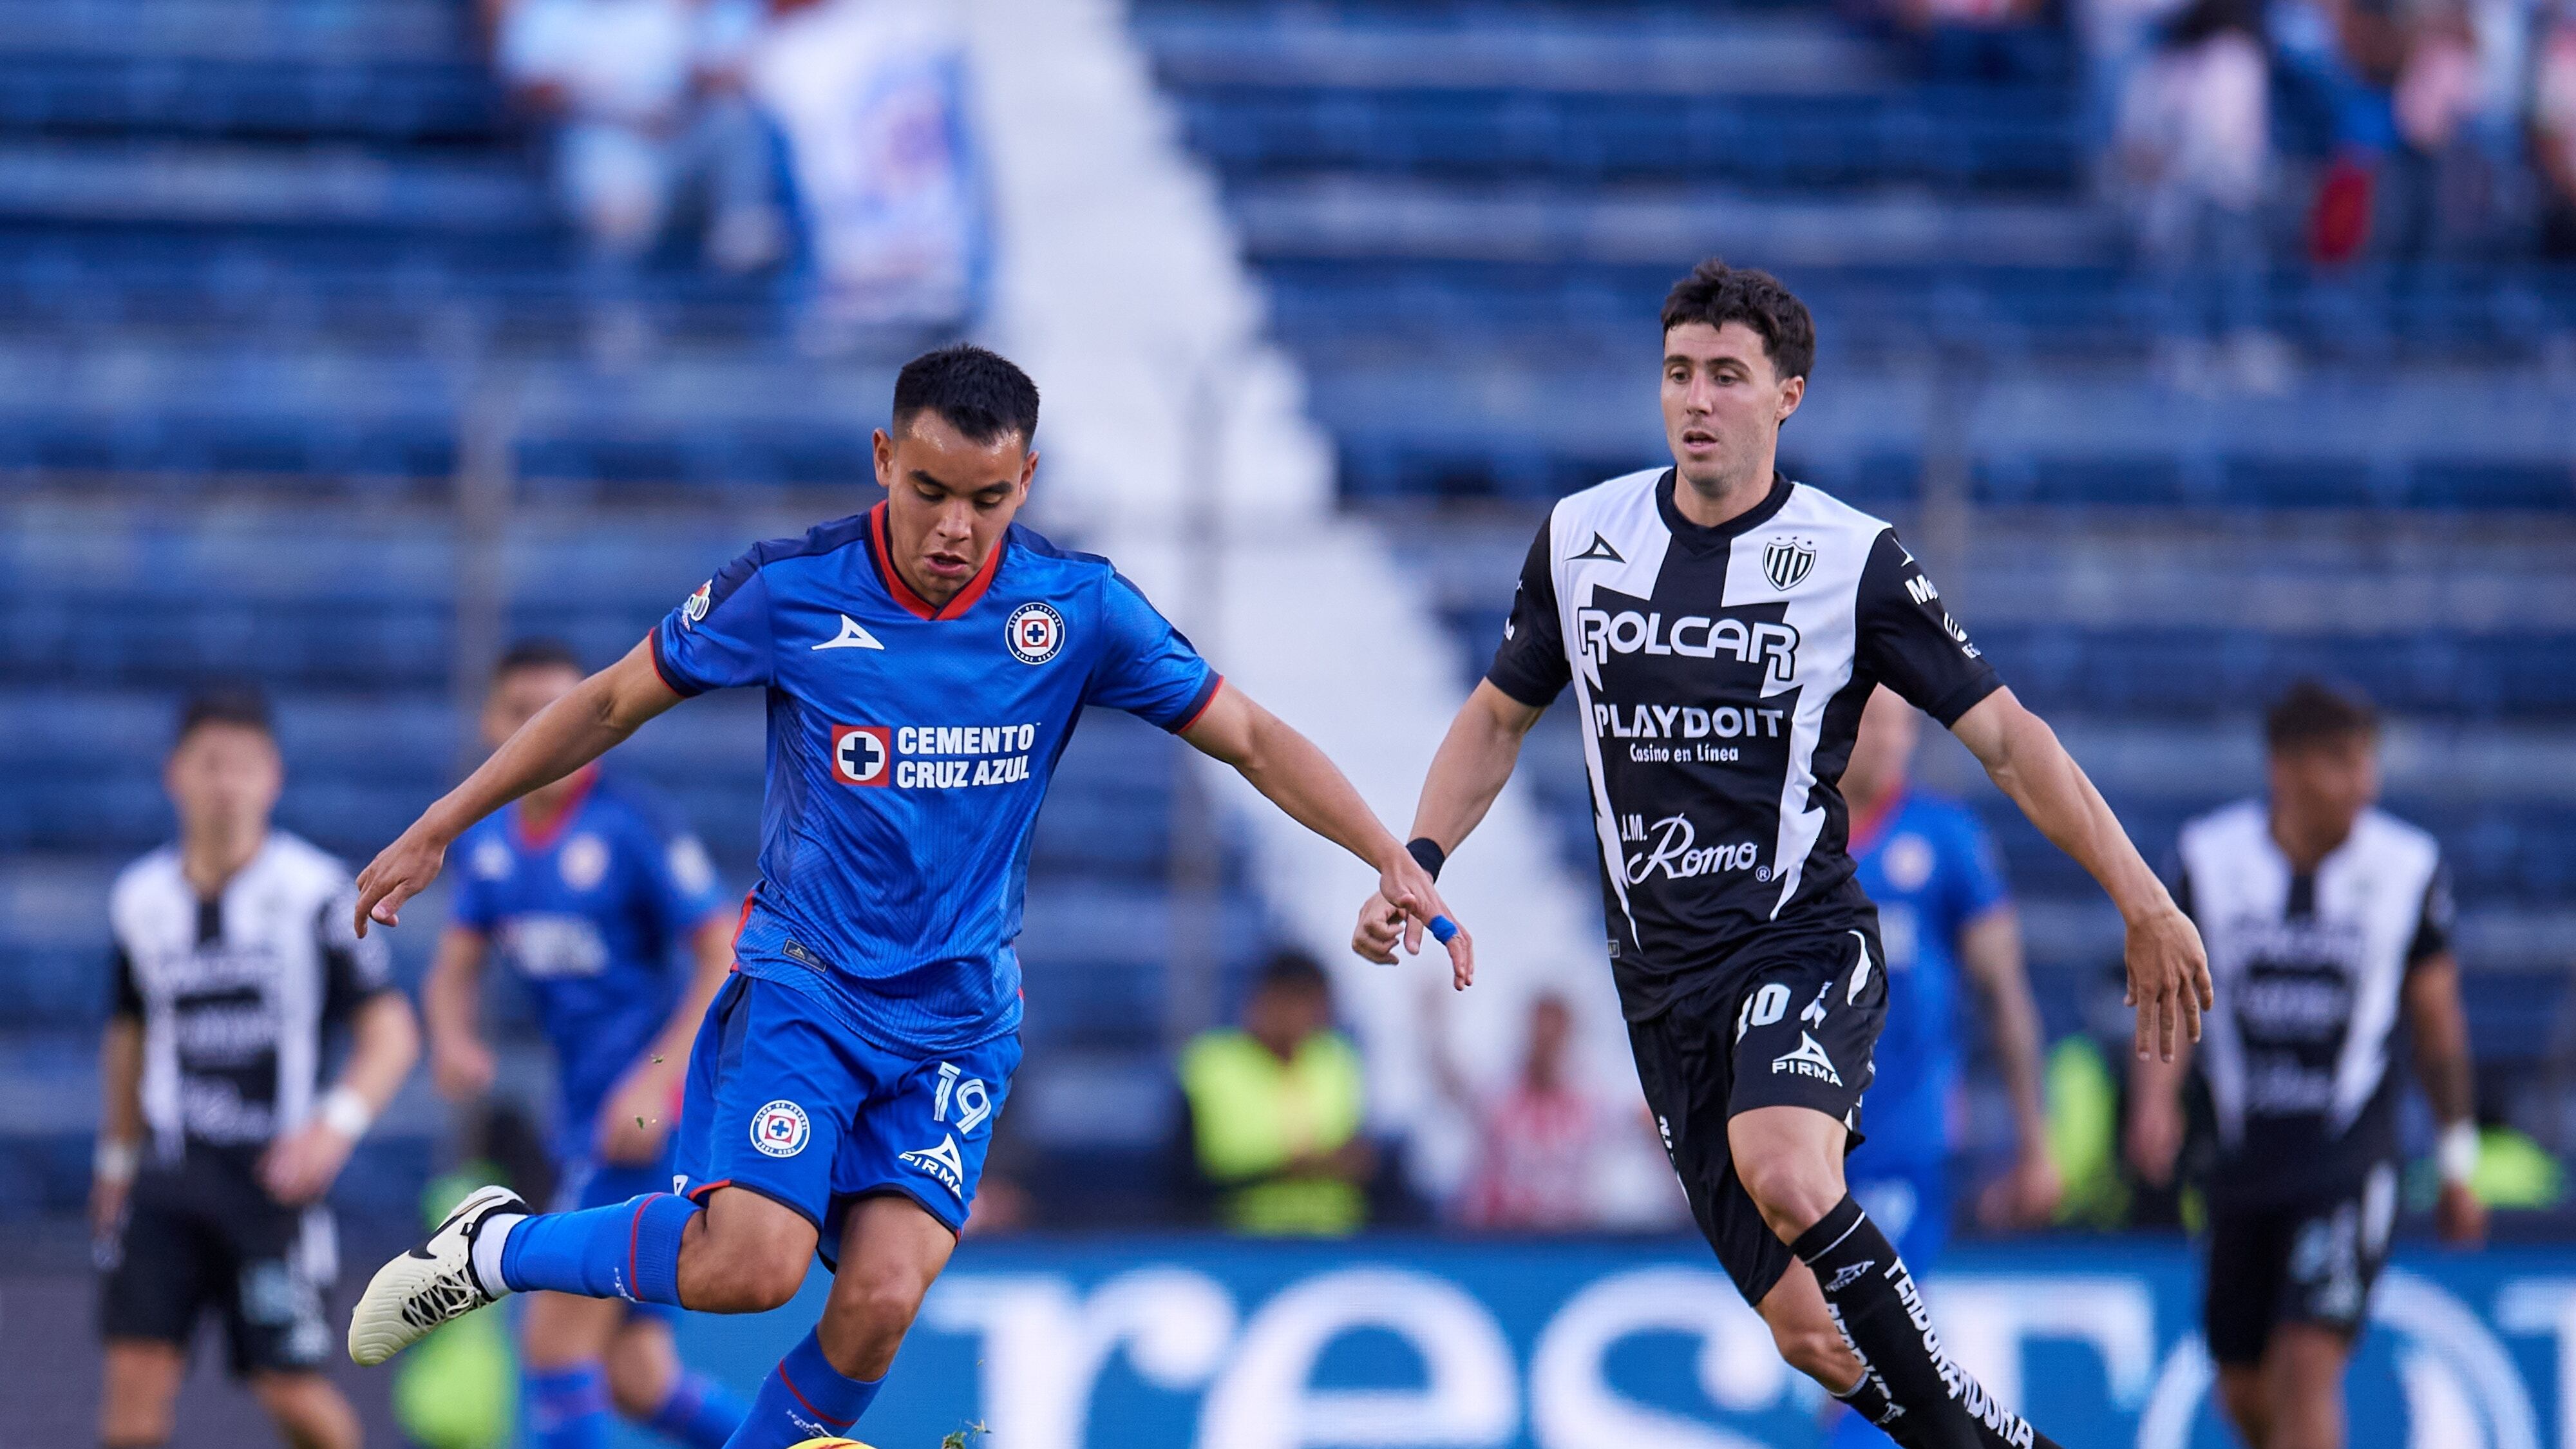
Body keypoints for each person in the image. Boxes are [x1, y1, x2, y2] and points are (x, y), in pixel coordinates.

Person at [339, 344, 1468, 1449]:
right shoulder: (791, 590)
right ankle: (496, 1251)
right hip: (810, 990)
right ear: (883, 457)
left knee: (879, 1302)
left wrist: (1390, 857)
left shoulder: (1074, 610)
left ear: (1026, 482)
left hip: (959, 1022)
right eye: (929, 490)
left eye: (986, 499)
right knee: (750, 1267)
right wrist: (443, 823)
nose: (954, 529)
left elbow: (1255, 738)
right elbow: (607, 705)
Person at [1352, 258, 2210, 1449]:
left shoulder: (1854, 561)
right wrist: (1420, 856)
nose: (1696, 400)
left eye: (1726, 377)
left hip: (1800, 945)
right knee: (1811, 1337)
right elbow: (1498, 716)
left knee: (1792, 1172)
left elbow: (2009, 740)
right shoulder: (1580, 539)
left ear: (1787, 395)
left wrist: (2142, 896)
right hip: (1662, 991)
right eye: (1677, 374)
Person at [2128, 679, 2484, 1449]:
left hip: (2347, 1164)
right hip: (2239, 1160)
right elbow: (2171, 991)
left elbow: (2439, 1026)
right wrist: (2154, 1098)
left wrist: (2458, 1162)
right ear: (2283, 770)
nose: (2363, 784)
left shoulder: (2407, 868)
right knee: (2242, 1386)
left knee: (2303, 1363)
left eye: (2366, 764)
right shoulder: (2205, 859)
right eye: (2342, 764)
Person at [420, 639, 748, 1449]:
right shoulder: (493, 844)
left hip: (645, 1122)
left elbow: (721, 952)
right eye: (521, 710)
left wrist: (657, 1080)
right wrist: (452, 1040)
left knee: (552, 1343)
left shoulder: (631, 825)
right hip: (583, 1113)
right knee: (640, 1384)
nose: (542, 725)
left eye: (557, 708)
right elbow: (452, 970)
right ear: (493, 722)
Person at [92, 686, 422, 1449]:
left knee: (295, 1393)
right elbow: (129, 1034)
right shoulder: (139, 899)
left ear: (273, 777)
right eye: (210, 765)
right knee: (133, 1398)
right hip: (167, 1181)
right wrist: (115, 1159)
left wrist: (330, 1131)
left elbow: (392, 1031)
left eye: (244, 766)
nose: (227, 784)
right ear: (175, 774)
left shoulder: (316, 894)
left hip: (271, 1189)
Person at [1827, 687, 2061, 1449]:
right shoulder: (1794, 840)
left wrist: (2035, 1141)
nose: (1895, 741)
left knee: (1869, 1352)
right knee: (1832, 1354)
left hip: (1906, 1142)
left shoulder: (1945, 840)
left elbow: (2006, 996)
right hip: (1803, 1142)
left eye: (1904, 726)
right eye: (1878, 725)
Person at [1179, 950, 1375, 1235]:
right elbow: (1186, 1178)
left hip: (1332, 1241)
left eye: (1312, 1003)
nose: (1302, 1016)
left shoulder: (1337, 1061)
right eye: (1292, 1001)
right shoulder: (1209, 1064)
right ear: (1260, 1001)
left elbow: (1355, 1151)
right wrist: (1290, 1169)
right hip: (1236, 1241)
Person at [1426, 986, 1610, 1231]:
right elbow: (1451, 1083)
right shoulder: (1498, 1094)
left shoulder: (1590, 1104)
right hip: (1497, 1238)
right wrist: (1434, 1026)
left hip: (1567, 1242)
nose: (1545, 1044)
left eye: (1553, 1035)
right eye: (1539, 1032)